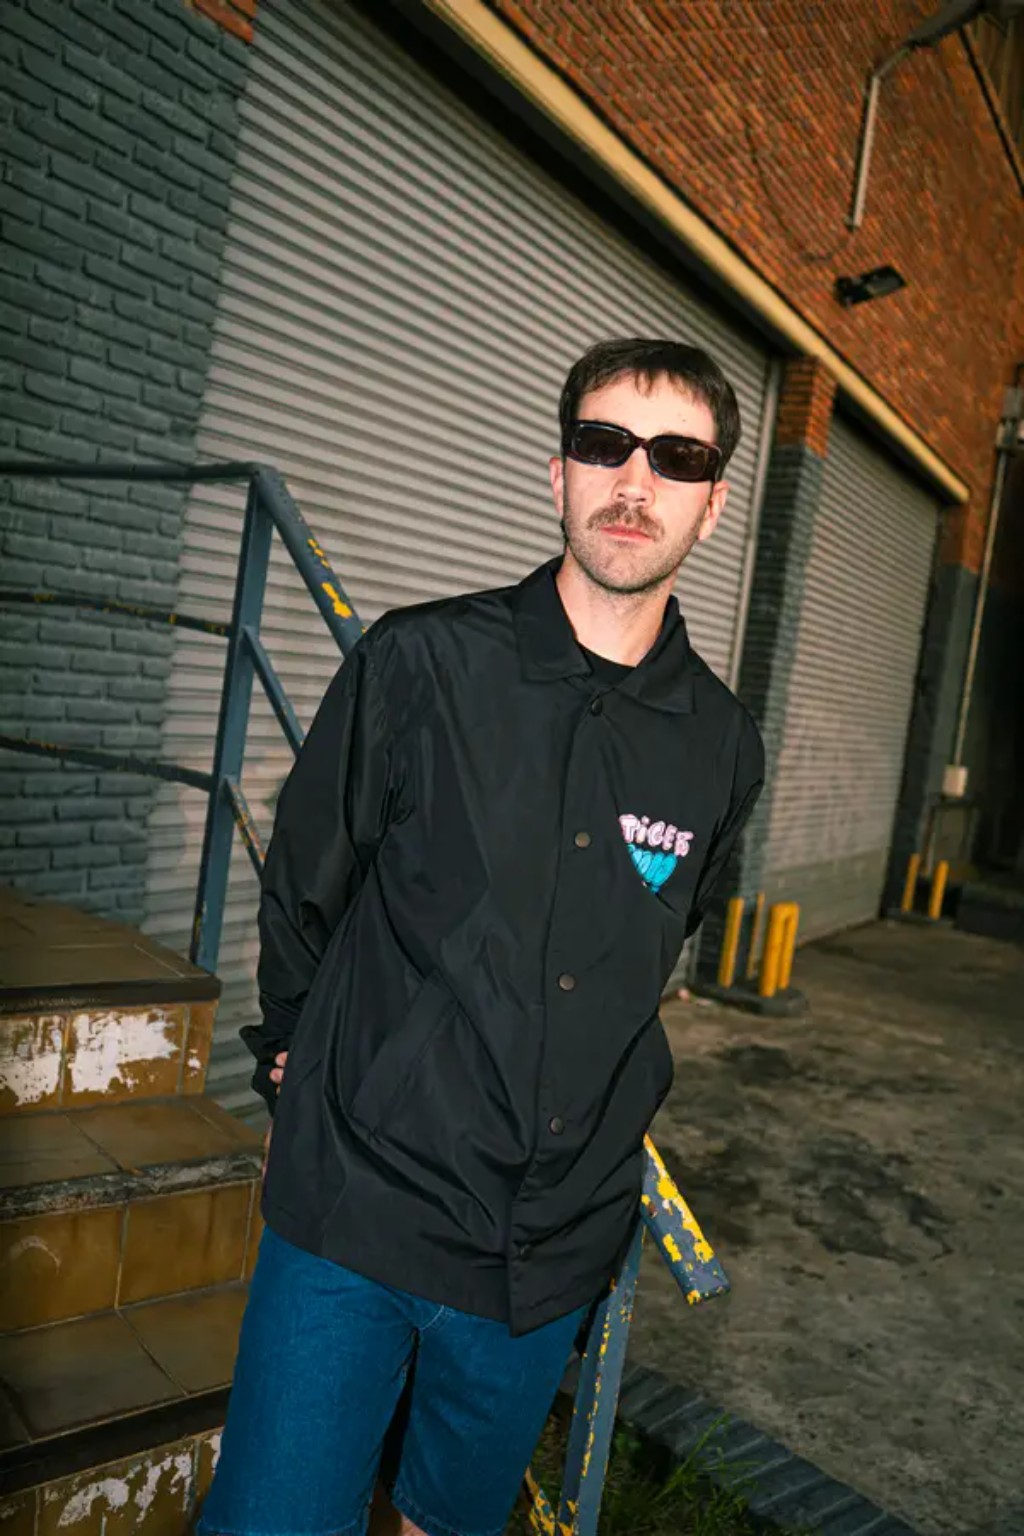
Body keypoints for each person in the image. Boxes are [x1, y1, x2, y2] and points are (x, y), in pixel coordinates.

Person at [198, 338, 764, 1536]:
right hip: (357, 1210)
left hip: (545, 1252)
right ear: (556, 472)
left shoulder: (720, 746)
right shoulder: (421, 662)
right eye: (604, 444)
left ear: (713, 504)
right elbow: (305, 890)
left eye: (677, 458)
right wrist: (292, 1064)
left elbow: (650, 958)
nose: (635, 482)